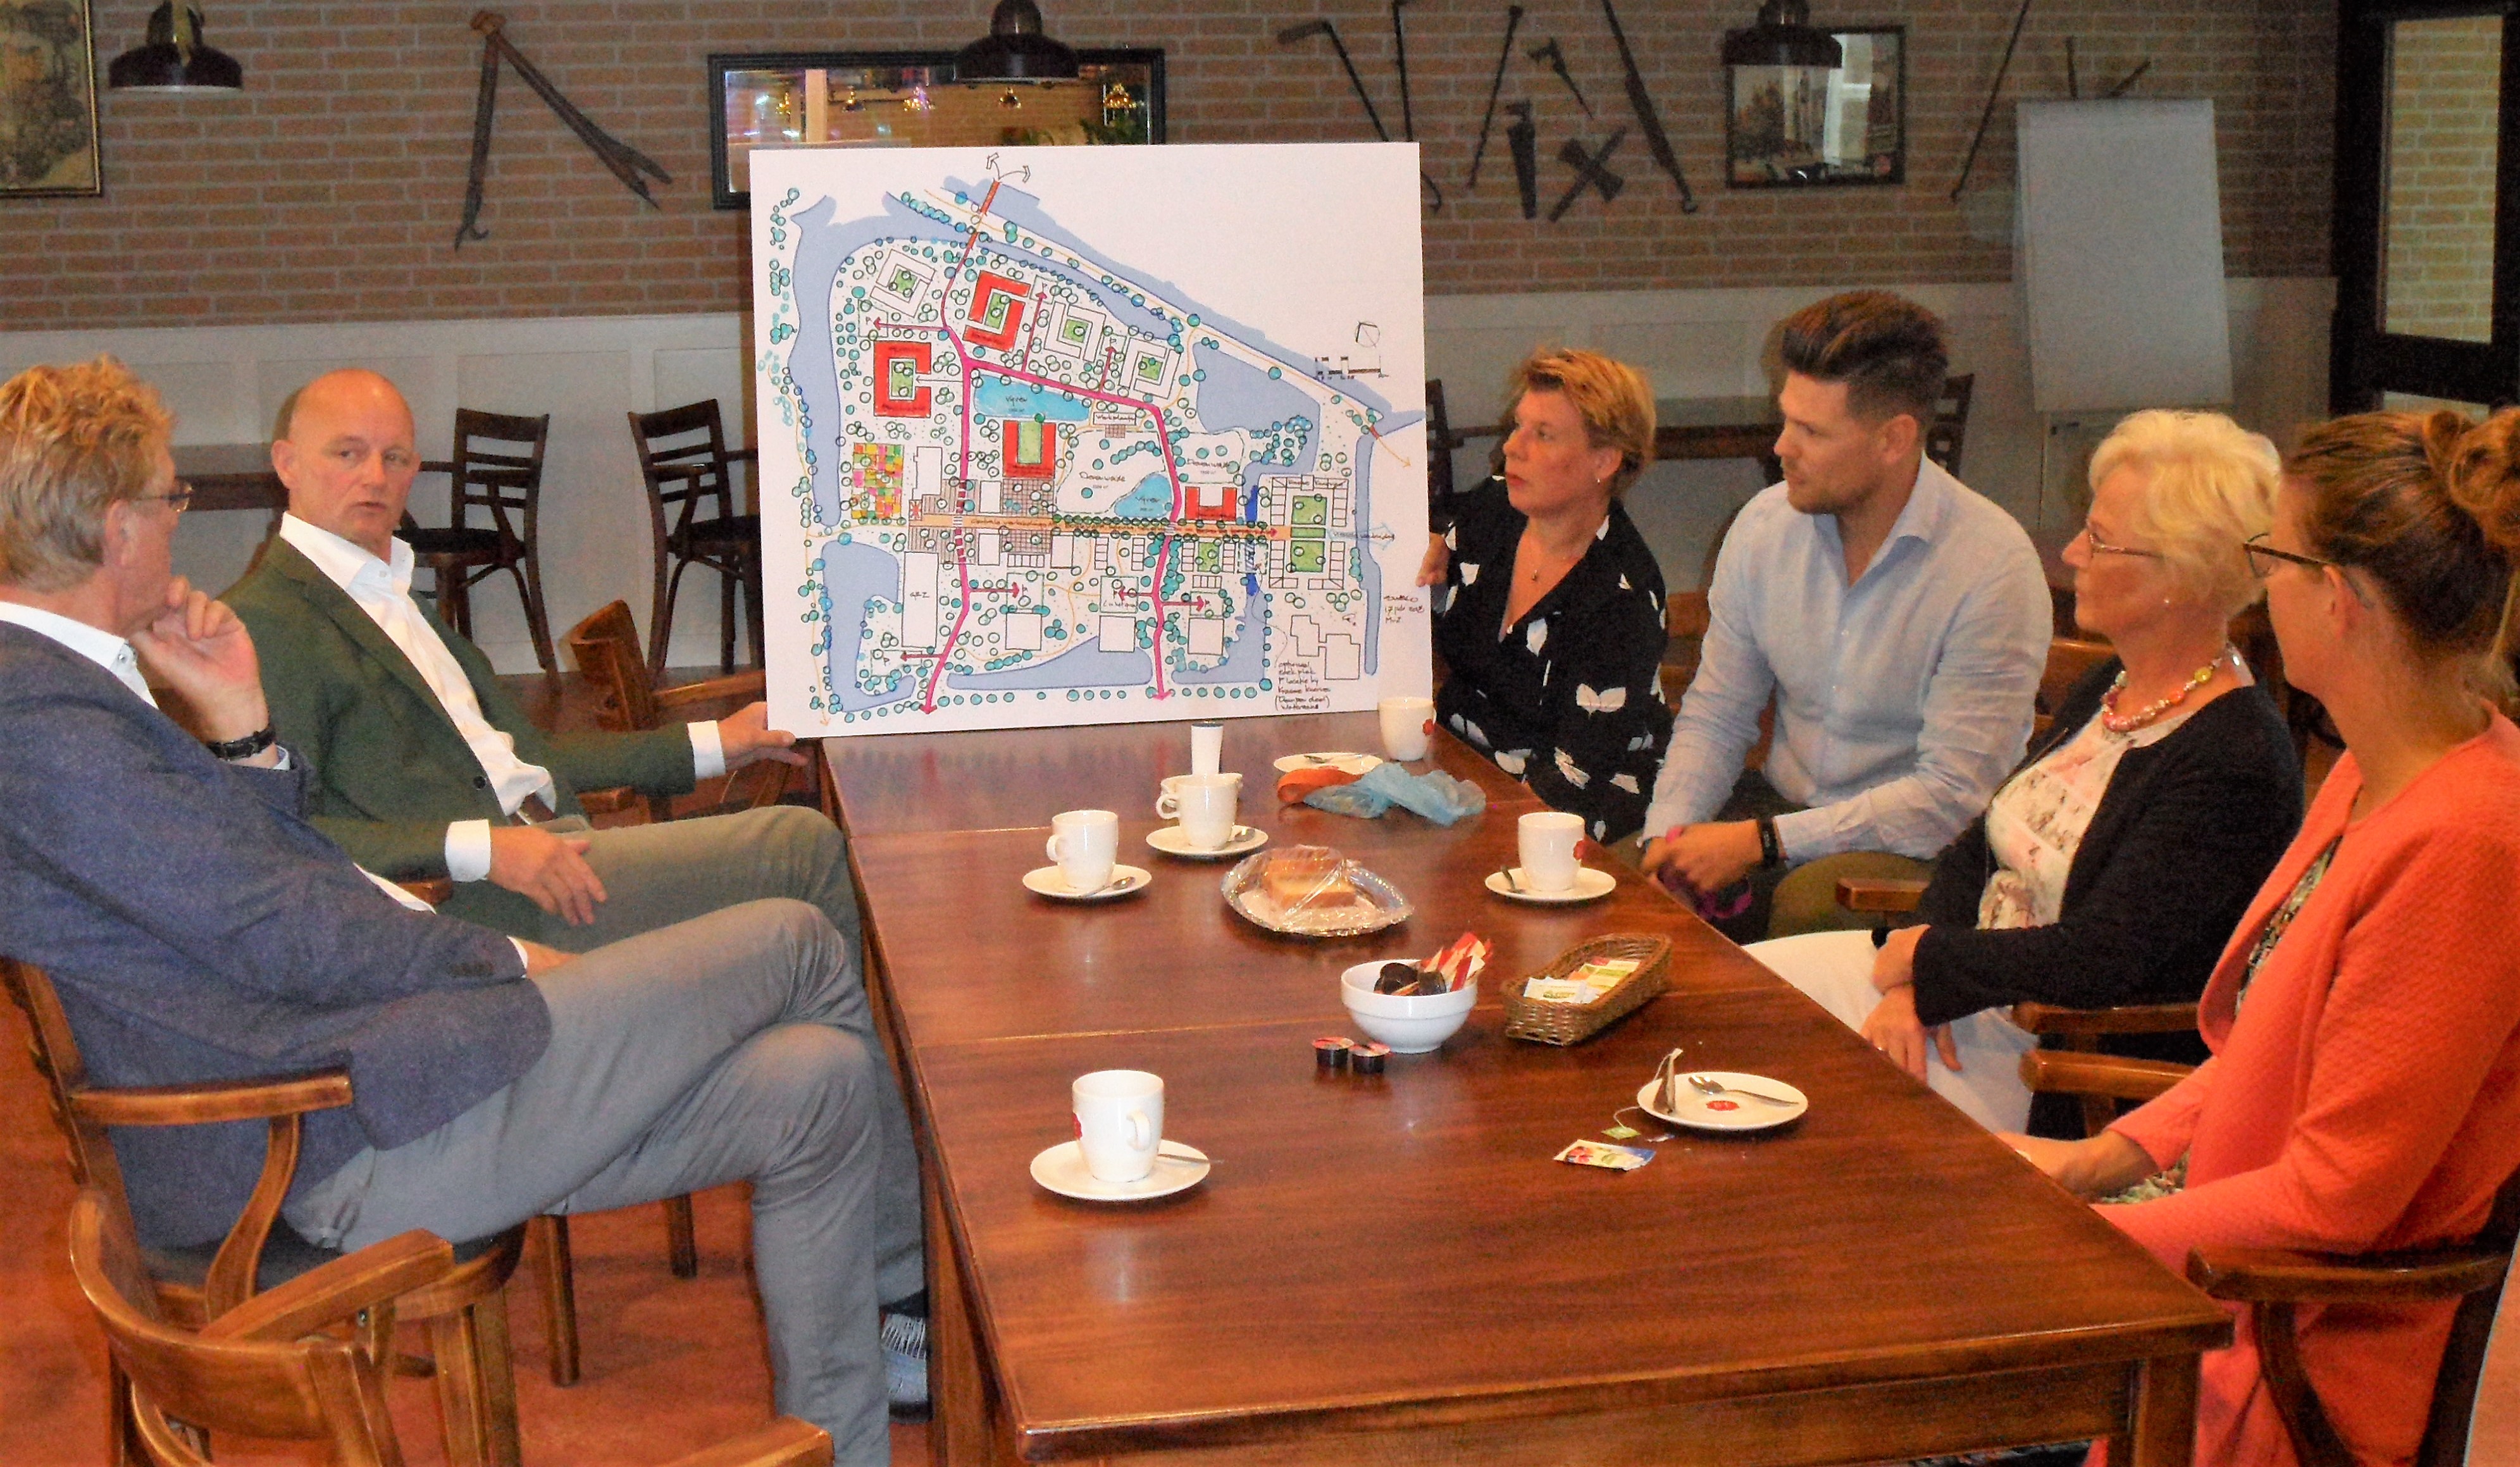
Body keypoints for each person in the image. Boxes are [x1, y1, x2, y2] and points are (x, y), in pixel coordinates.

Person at [0, 359, 923, 1463]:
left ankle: (850, 1440)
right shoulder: (46, 724)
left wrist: (244, 731)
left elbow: (260, 883)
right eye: (168, 499)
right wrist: (509, 959)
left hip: (363, 1079)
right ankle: (916, 1279)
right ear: (117, 527)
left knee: (818, 1077)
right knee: (797, 936)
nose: (176, 522)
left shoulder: (66, 693)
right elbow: (289, 929)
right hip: (322, 1140)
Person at [2011, 407, 2520, 1467]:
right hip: (2221, 1266)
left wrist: (2073, 1241)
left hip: (2295, 1348)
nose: (2258, 585)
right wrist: (2101, 1156)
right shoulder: (2373, 761)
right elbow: (2269, 1046)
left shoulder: (2468, 842)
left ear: (2335, 598)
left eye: (2270, 556)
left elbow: (2333, 1197)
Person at [1743, 411, 2302, 1132]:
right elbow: (1979, 849)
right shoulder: (2108, 686)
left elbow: (2106, 955)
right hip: (1965, 997)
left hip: (2054, 1059)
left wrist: (1933, 967)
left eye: (2098, 539)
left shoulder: (2234, 757)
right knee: (1734, 1003)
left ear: (2180, 575)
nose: (2071, 552)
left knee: (1770, 1066)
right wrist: (1915, 986)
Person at [224, 368, 853, 953]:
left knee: (801, 978)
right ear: (287, 463)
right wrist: (484, 849)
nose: (374, 477)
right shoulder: (266, 621)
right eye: (347, 453)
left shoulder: (387, 593)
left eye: (395, 458)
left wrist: (719, 741)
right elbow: (277, 834)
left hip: (557, 847)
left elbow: (531, 758)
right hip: (473, 904)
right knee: (802, 846)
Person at [1639, 291, 2052, 943]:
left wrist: (1763, 842)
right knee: (1617, 888)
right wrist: (1665, 839)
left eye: (1811, 432)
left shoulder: (1990, 566)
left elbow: (1950, 798)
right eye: (1786, 420)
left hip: (1921, 848)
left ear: (1893, 439)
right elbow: (1717, 713)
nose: (1781, 447)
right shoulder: (1764, 527)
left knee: (1808, 909)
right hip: (1779, 812)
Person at [1419, 348, 1672, 843]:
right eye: (1518, 426)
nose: (1512, 448)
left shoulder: (1621, 598)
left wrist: (1443, 833)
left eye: (1543, 434)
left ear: (1603, 460)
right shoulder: (1495, 508)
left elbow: (1568, 783)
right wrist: (1428, 561)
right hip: (1462, 775)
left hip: (1564, 819)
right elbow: (1444, 604)